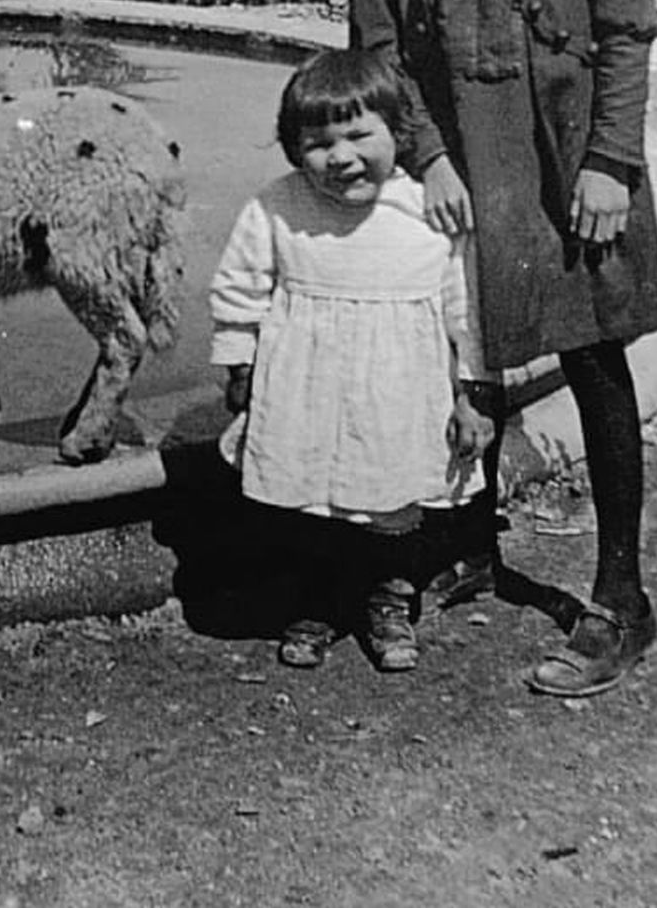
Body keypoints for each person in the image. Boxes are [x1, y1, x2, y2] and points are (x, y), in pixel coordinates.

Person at [343, 0, 657, 698]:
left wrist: (610, 159)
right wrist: (424, 156)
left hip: (563, 145)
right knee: (464, 343)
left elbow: (624, 10)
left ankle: (620, 597)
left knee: (590, 350)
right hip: (457, 154)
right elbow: (376, 36)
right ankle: (471, 540)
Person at [209, 44, 492, 674]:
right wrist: (239, 365)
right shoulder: (276, 207)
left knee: (392, 500)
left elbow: (462, 308)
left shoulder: (427, 209)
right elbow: (240, 287)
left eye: (360, 135)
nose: (340, 157)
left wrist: (472, 393)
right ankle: (319, 601)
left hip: (400, 386)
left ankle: (389, 599)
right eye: (317, 143)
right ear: (292, 150)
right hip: (305, 386)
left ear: (397, 132)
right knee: (312, 494)